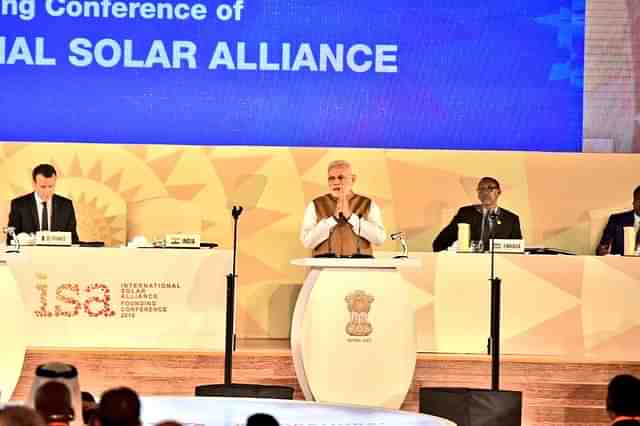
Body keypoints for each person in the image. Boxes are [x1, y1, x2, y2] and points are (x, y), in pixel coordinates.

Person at [300, 160, 385, 257]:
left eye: (341, 177)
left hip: (360, 268)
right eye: (331, 178)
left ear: (352, 179)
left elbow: (379, 239)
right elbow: (307, 242)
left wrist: (351, 218)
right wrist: (332, 220)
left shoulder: (368, 204)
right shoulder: (315, 204)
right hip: (324, 268)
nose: (336, 182)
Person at [433, 177, 522, 252]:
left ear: (499, 192)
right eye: (481, 189)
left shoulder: (511, 219)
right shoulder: (465, 214)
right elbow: (440, 242)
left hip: (500, 266)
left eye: (490, 188)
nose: (485, 192)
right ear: (478, 194)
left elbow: (518, 248)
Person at [7, 163, 79, 244]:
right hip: (29, 255)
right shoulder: (19, 205)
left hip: (59, 255)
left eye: (51, 186)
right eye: (43, 187)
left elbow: (73, 239)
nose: (47, 191)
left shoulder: (66, 205)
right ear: (34, 184)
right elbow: (11, 239)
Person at [597, 186, 640, 256]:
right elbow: (602, 247)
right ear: (633, 202)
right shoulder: (616, 220)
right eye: (639, 200)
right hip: (619, 264)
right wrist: (602, 251)